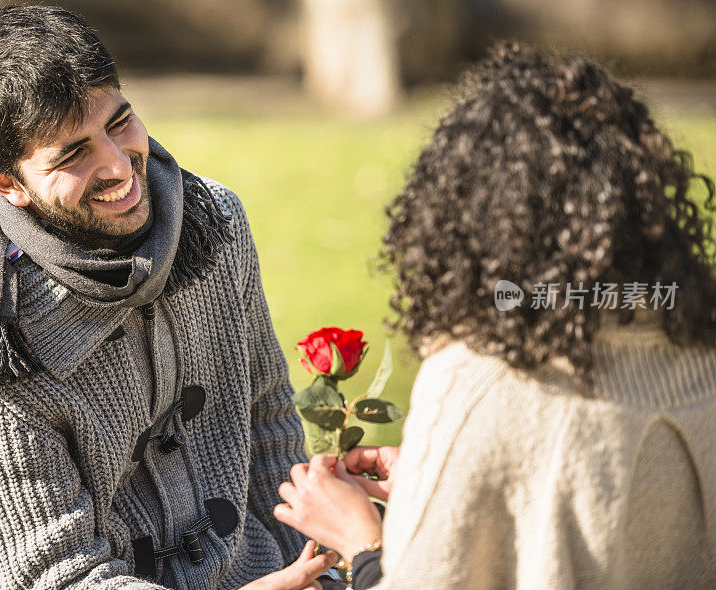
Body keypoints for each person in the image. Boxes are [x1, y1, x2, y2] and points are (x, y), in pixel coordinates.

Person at [273, 42, 716, 588]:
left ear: (462, 214)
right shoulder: (703, 350)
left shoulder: (477, 382)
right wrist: (437, 481)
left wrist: (362, 542)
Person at [0, 5, 338, 589]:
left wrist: (314, 566)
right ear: (7, 185)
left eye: (119, 123)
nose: (118, 166)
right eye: (72, 154)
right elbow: (64, 578)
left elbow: (267, 415)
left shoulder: (213, 219)